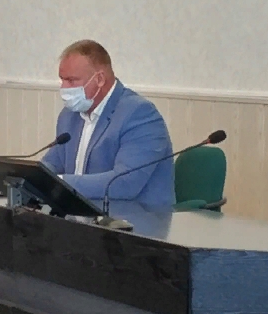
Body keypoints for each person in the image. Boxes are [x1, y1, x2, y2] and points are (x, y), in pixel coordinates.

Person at [41, 39, 175, 208]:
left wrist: (59, 182)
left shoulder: (140, 114)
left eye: (71, 80)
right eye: (62, 80)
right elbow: (53, 163)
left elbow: (124, 183)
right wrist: (30, 177)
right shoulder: (69, 115)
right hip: (81, 217)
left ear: (100, 79)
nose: (64, 88)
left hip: (136, 219)